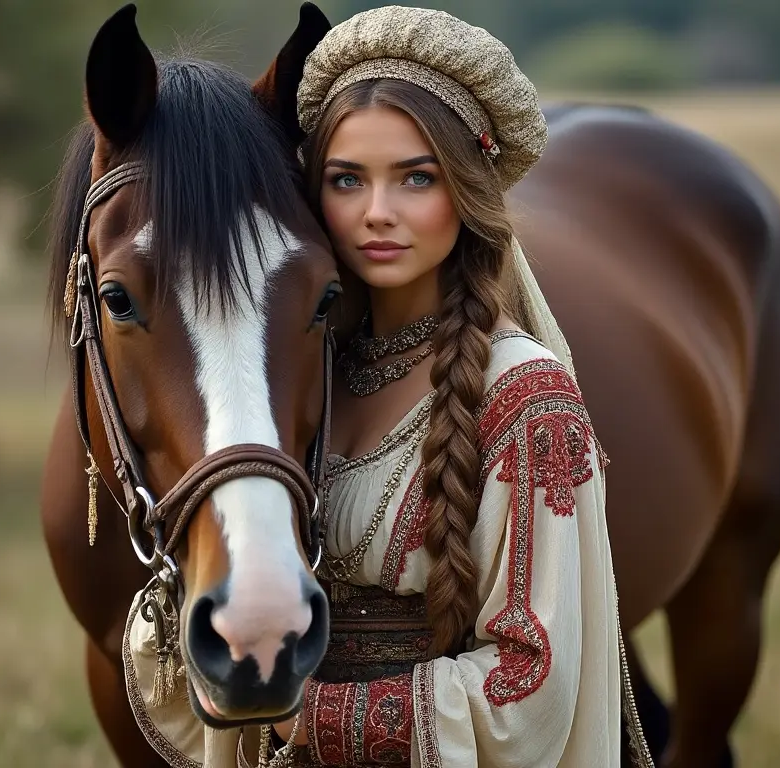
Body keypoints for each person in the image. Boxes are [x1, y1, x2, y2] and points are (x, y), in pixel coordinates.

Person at [126, 6, 653, 767]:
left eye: (416, 178)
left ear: (466, 189)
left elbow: (532, 688)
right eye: (346, 180)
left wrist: (311, 719)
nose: (378, 213)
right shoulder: (311, 378)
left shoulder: (528, 400)